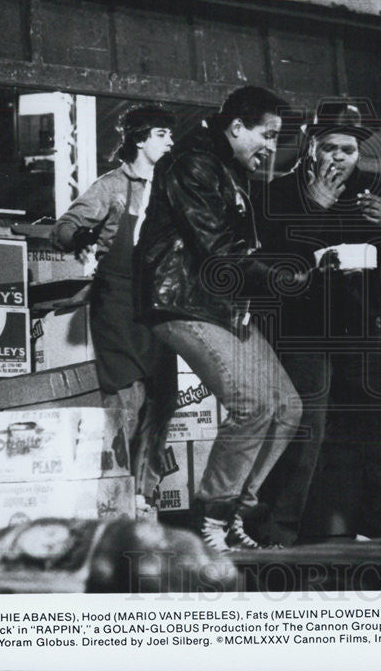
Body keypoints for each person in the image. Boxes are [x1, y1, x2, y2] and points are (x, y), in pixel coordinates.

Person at [134, 86, 303, 552]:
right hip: (180, 301)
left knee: (287, 407)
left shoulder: (230, 169)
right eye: (266, 134)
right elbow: (218, 253)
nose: (271, 145)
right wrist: (287, 277)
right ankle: (210, 517)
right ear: (236, 128)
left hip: (220, 304)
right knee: (251, 402)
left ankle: (234, 514)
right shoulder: (193, 164)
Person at [250, 100, 381, 545]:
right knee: (305, 426)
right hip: (302, 328)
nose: (340, 157)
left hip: (360, 323)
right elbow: (270, 261)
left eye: (349, 149)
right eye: (331, 147)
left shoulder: (375, 194)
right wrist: (315, 209)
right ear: (310, 147)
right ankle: (277, 532)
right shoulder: (278, 194)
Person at [53, 104, 175, 500]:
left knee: (163, 400)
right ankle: (116, 497)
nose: (171, 141)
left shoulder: (173, 189)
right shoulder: (112, 186)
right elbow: (64, 227)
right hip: (118, 299)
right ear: (140, 139)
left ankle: (144, 496)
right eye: (162, 134)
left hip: (158, 301)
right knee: (126, 398)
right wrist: (79, 238)